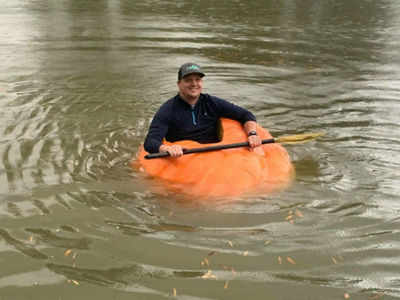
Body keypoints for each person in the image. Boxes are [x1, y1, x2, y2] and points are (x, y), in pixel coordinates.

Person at [143, 63, 262, 157]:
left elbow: (246, 115)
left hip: (215, 155)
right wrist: (168, 148)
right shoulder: (167, 109)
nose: (194, 84)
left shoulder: (212, 102)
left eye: (197, 79)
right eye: (188, 80)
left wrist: (252, 134)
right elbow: (150, 142)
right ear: (179, 84)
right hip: (185, 157)